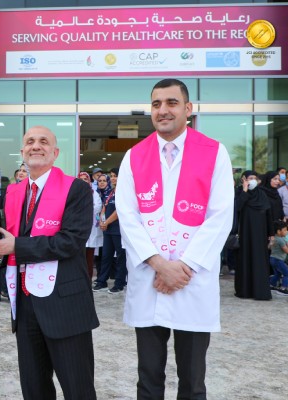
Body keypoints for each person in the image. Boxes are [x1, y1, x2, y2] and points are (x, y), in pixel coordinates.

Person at [116, 79, 234, 399]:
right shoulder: (135, 156)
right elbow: (127, 216)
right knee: (148, 378)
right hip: (150, 278)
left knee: (193, 381)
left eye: (171, 102)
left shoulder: (213, 152)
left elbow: (220, 216)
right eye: (156, 104)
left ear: (188, 109)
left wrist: (182, 266)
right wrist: (159, 264)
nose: (163, 110)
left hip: (191, 280)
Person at [0, 125, 99, 399]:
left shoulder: (76, 189)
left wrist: (15, 246)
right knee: (34, 389)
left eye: (44, 142)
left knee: (78, 389)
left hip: (65, 304)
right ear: (22, 152)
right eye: (30, 141)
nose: (36, 146)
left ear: (55, 153)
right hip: (25, 304)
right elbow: (7, 238)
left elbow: (71, 241)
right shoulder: (14, 192)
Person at [234, 170, 273, 300]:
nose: (253, 181)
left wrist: (271, 234)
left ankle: (260, 291)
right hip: (245, 233)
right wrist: (244, 191)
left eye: (255, 178)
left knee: (259, 260)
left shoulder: (262, 194)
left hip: (260, 234)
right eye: (250, 178)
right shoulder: (239, 192)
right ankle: (244, 291)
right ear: (243, 179)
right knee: (245, 259)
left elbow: (268, 215)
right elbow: (237, 208)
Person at [93, 168, 127, 294]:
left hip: (118, 230)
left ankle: (119, 283)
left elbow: (119, 211)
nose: (113, 178)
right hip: (107, 230)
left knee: (120, 257)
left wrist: (106, 222)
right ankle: (102, 281)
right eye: (112, 176)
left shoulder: (124, 192)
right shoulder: (111, 192)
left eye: (115, 176)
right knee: (106, 256)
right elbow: (104, 207)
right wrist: (102, 222)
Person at [79, 171, 102, 278]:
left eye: (85, 179)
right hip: (77, 229)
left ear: (89, 180)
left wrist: (83, 210)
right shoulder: (73, 192)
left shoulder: (94, 193)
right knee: (78, 258)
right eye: (81, 179)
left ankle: (88, 281)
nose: (83, 181)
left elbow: (97, 207)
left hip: (91, 228)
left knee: (89, 258)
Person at [268, 220, 288, 295]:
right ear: (278, 231)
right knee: (286, 273)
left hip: (272, 258)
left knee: (277, 274)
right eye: (285, 230)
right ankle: (283, 288)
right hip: (278, 260)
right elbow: (287, 251)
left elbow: (269, 247)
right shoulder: (281, 240)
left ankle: (271, 285)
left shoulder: (274, 238)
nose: (286, 232)